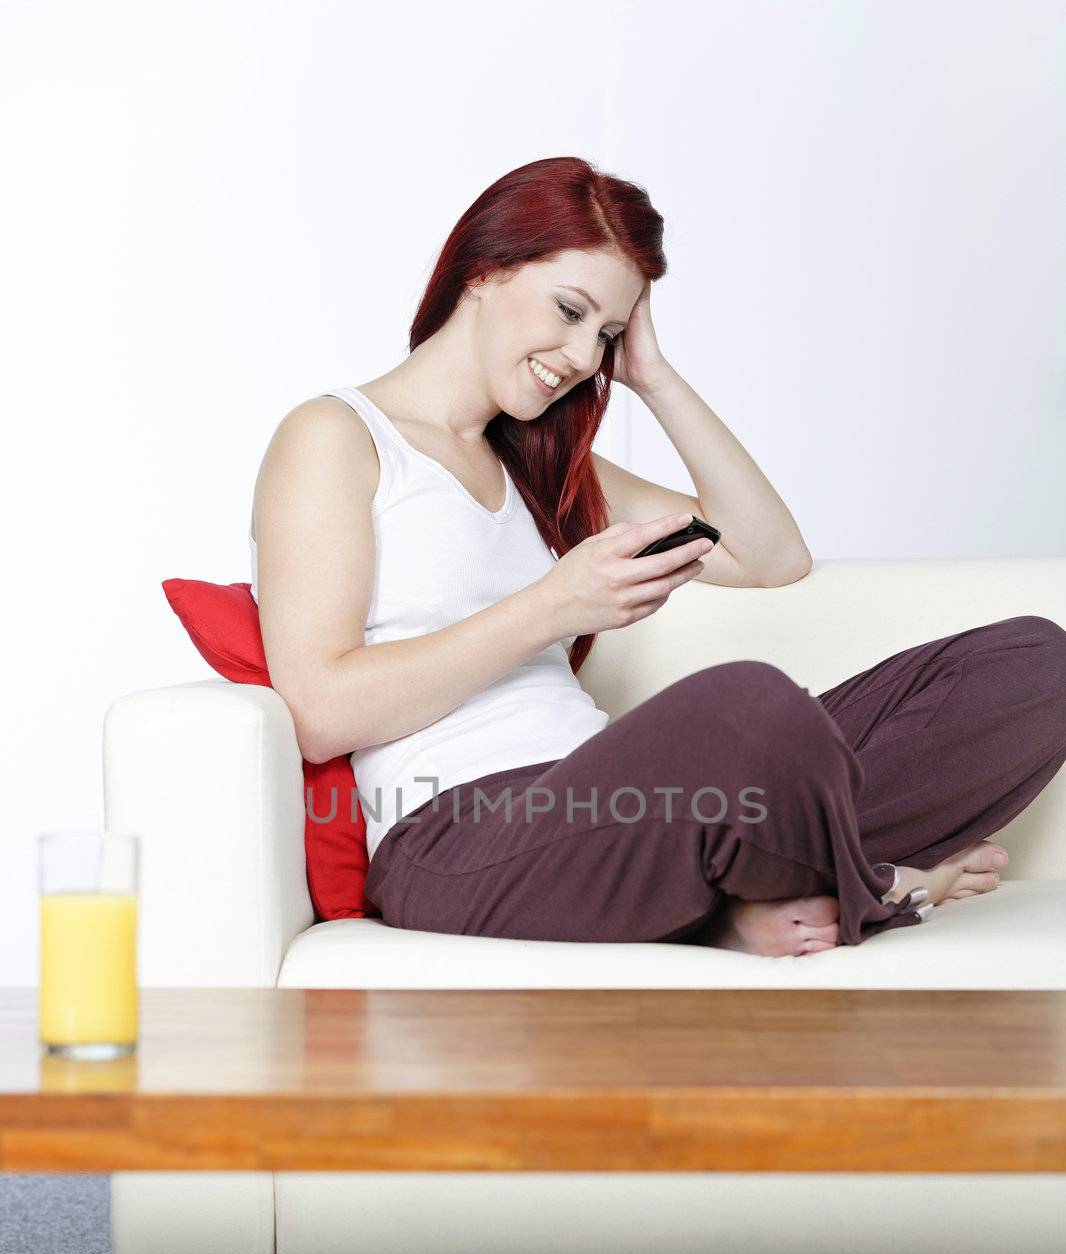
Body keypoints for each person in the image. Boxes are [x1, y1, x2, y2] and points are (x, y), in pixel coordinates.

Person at [251, 157, 1066, 956]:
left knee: (1035, 664)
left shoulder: (541, 464)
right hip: (460, 838)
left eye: (605, 334)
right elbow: (319, 710)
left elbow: (769, 556)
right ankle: (869, 885)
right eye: (568, 310)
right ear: (484, 271)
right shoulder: (338, 439)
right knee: (748, 709)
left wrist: (655, 377)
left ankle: (761, 890)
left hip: (627, 808)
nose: (579, 357)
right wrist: (553, 606)